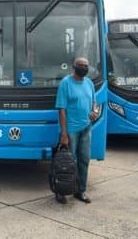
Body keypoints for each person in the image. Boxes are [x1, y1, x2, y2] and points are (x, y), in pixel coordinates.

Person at [55, 57, 98, 205]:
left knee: (84, 159)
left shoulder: (89, 83)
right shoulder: (65, 83)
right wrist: (64, 133)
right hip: (71, 130)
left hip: (86, 127)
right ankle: (61, 192)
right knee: (67, 163)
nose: (84, 68)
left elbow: (94, 102)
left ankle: (80, 191)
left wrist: (94, 112)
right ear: (74, 66)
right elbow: (61, 110)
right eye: (81, 65)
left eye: (86, 66)